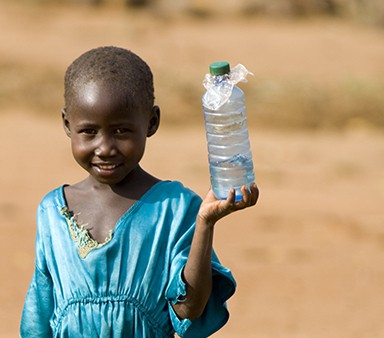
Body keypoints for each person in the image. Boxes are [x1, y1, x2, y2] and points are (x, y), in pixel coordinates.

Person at [20, 46, 259, 337]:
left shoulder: (175, 208)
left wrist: (205, 223)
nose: (105, 148)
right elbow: (38, 318)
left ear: (151, 122)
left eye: (121, 131)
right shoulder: (52, 212)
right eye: (89, 131)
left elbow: (188, 310)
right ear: (68, 125)